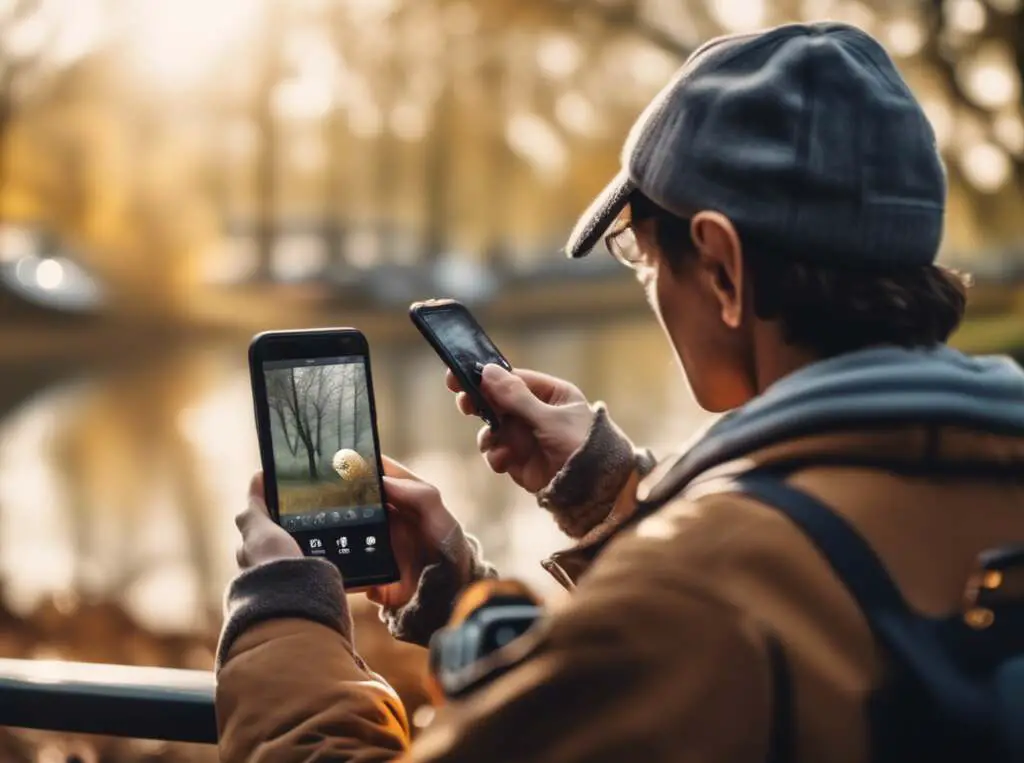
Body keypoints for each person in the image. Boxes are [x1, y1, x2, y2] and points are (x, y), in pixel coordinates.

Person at [216, 21, 1024, 763]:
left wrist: (284, 614)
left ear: (723, 268)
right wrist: (613, 499)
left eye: (640, 253)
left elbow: (700, 630)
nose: (647, 282)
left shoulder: (700, 599)